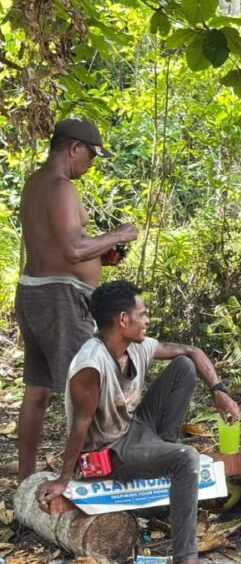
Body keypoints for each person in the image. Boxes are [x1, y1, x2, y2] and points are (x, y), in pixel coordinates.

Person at [35, 281, 240, 564]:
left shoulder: (137, 347)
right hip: (110, 449)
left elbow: (192, 351)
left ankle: (162, 450)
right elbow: (80, 427)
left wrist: (220, 391)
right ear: (122, 320)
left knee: (184, 366)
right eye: (142, 314)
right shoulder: (91, 366)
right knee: (187, 459)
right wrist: (64, 478)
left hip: (135, 427)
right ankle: (186, 558)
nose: (147, 320)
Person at [16, 119, 139, 480]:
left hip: (34, 292)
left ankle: (25, 478)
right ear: (73, 148)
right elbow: (72, 250)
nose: (92, 163)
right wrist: (119, 233)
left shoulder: (35, 183)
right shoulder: (62, 187)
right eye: (91, 155)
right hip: (60, 299)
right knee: (89, 385)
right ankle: (88, 474)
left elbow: (59, 247)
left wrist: (104, 254)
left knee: (36, 389)